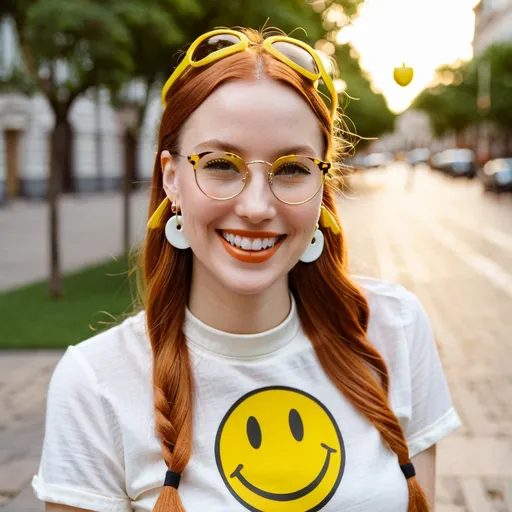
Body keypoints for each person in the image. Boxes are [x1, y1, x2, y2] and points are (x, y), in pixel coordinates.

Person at [32, 28, 461, 512]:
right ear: (172, 177)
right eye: (221, 164)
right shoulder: (95, 383)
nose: (256, 206)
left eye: (293, 169)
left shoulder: (395, 329)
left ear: (323, 185)